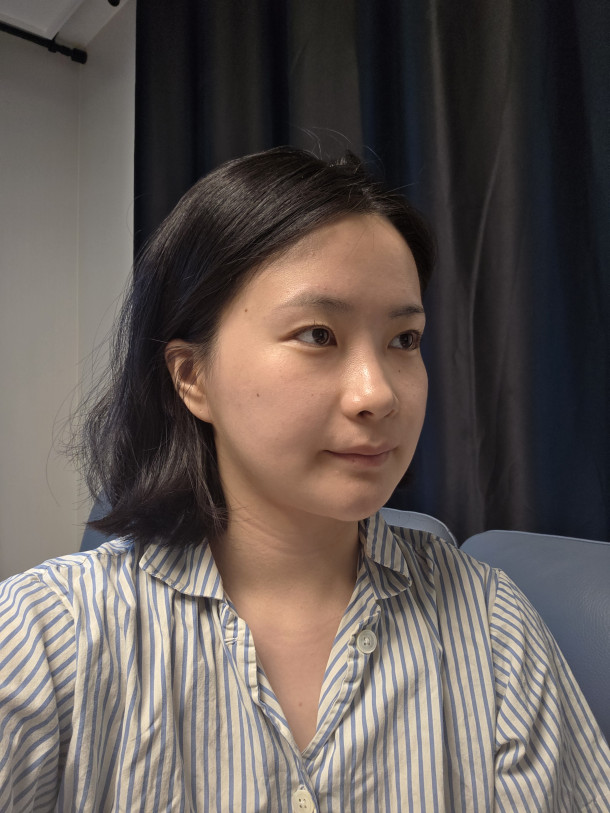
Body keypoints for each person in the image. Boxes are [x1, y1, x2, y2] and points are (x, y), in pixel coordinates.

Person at [0, 147, 608, 812]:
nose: (378, 394)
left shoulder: (492, 625)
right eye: (318, 334)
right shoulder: (45, 636)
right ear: (192, 377)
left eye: (404, 339)